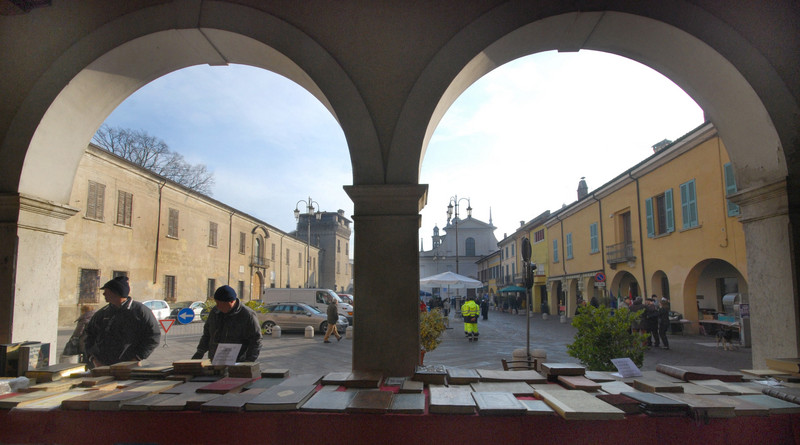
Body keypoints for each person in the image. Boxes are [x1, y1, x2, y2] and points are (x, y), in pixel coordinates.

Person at [84, 276, 160, 368]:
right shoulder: (102, 313)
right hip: (103, 366)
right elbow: (89, 336)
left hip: (130, 367)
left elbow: (153, 336)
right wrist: (93, 359)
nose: (103, 294)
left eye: (106, 291)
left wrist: (137, 358)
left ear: (116, 293)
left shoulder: (140, 311)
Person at [192, 285, 262, 362]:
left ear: (232, 301)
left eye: (220, 303)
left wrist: (249, 360)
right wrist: (200, 351)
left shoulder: (248, 315)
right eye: (216, 303)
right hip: (215, 360)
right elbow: (207, 334)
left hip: (238, 361)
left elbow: (256, 339)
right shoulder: (215, 312)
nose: (217, 306)